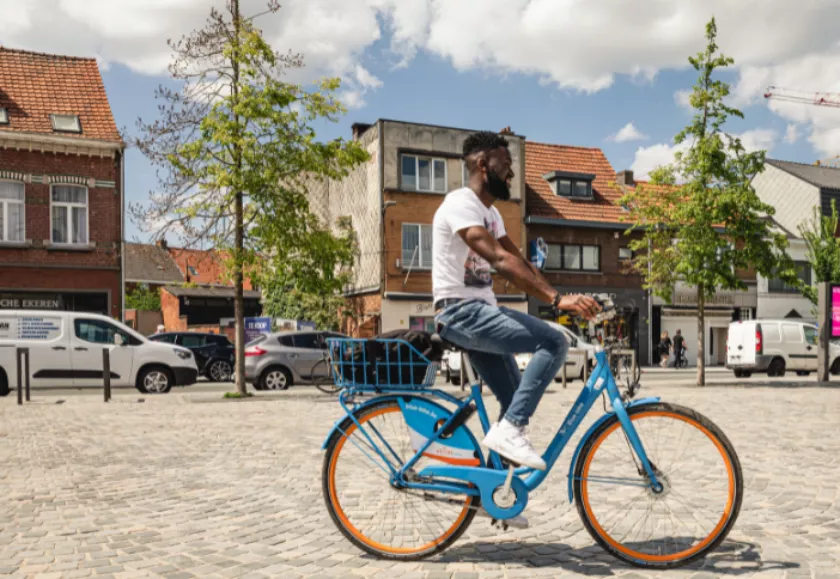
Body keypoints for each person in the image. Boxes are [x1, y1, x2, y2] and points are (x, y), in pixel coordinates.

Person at [432, 131, 600, 470]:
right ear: (483, 164)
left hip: (480, 313)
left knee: (512, 401)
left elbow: (519, 261)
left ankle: (497, 496)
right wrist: (556, 301)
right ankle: (509, 432)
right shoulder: (460, 204)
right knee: (553, 341)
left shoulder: (492, 215)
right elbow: (499, 259)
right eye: (505, 165)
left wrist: (567, 297)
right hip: (459, 312)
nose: (511, 173)